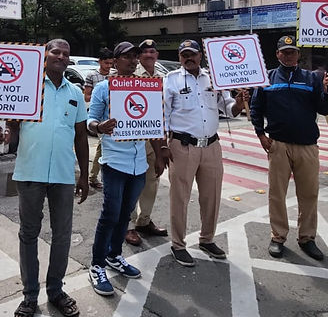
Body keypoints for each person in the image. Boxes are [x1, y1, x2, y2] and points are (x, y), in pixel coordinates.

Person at [0, 39, 89, 317]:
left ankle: (56, 291)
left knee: (62, 235)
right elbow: (11, 129)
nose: (61, 56)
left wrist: (84, 175)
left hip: (62, 175)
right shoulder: (26, 89)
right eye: (55, 52)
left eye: (65, 53)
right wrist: (4, 138)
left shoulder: (75, 93)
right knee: (29, 234)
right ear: (44, 56)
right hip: (30, 173)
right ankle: (29, 296)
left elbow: (81, 137)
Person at [87, 41, 165, 296]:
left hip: (138, 164)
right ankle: (97, 265)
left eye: (136, 57)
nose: (133, 61)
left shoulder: (147, 87)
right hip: (114, 162)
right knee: (110, 213)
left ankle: (114, 255)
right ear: (116, 60)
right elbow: (91, 120)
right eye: (127, 57)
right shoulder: (103, 88)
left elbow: (153, 122)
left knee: (125, 213)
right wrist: (99, 127)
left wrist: (161, 151)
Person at [163, 39, 249, 267]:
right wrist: (162, 145)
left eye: (192, 54)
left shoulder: (215, 78)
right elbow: (162, 116)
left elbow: (229, 109)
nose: (188, 58)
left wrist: (239, 104)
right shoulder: (170, 81)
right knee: (179, 198)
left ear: (201, 55)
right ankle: (178, 244)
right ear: (180, 57)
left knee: (211, 196)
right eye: (184, 55)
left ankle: (207, 239)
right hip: (182, 147)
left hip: (211, 146)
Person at [249, 35, 328, 261]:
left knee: (309, 194)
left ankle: (307, 238)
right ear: (277, 54)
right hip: (278, 145)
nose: (289, 55)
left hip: (307, 145)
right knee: (277, 194)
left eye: (293, 51)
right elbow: (256, 108)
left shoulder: (312, 79)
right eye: (284, 52)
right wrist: (260, 134)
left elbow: (324, 110)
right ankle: (278, 236)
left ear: (298, 54)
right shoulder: (267, 79)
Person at [125, 38, 169, 246]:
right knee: (132, 184)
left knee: (152, 182)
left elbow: (166, 113)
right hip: (135, 140)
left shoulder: (163, 78)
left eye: (152, 51)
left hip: (156, 139)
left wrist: (164, 145)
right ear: (139, 56)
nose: (149, 55)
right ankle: (129, 226)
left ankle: (144, 221)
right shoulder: (131, 76)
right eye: (145, 52)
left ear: (156, 55)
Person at [85, 48, 114, 190]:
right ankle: (92, 176)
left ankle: (93, 176)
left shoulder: (115, 75)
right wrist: (101, 95)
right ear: (100, 61)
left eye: (111, 63)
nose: (109, 66)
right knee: (102, 148)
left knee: (101, 148)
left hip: (113, 119)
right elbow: (87, 97)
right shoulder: (92, 75)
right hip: (98, 120)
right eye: (106, 63)